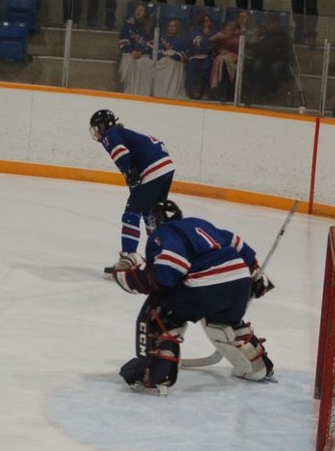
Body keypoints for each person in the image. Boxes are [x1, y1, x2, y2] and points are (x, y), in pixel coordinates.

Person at [110, 200, 275, 396]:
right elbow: (239, 245)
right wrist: (255, 275)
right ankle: (259, 367)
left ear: (154, 222)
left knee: (161, 316)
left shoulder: (163, 234)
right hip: (239, 283)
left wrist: (134, 278)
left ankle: (155, 377)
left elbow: (169, 271)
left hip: (205, 286)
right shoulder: (199, 223)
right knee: (227, 322)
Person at [89, 109, 174, 274]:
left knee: (131, 214)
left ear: (102, 126)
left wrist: (129, 174)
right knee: (151, 214)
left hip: (153, 170)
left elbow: (121, 152)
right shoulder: (122, 132)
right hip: (166, 168)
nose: (97, 133)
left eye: (96, 128)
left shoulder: (110, 134)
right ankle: (164, 257)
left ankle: (128, 260)